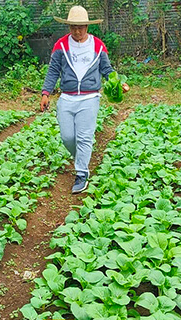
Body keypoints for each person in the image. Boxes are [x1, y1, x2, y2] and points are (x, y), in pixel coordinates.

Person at [39, 5, 129, 194]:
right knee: (67, 137)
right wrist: (46, 93)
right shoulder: (61, 46)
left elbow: (107, 70)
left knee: (84, 136)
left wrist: (118, 83)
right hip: (67, 97)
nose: (77, 31)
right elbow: (53, 71)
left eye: (80, 27)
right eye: (73, 27)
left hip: (90, 97)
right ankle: (81, 158)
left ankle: (82, 173)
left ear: (87, 27)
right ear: (69, 27)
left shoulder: (98, 45)